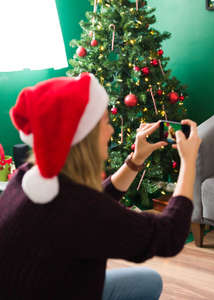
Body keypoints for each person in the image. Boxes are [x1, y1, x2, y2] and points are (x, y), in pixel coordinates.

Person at [0, 73, 201, 300]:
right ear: (86, 137)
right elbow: (169, 235)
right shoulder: (80, 212)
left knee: (148, 281)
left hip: (48, 284)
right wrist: (189, 161)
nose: (111, 131)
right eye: (105, 123)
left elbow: (91, 205)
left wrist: (135, 160)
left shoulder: (24, 178)